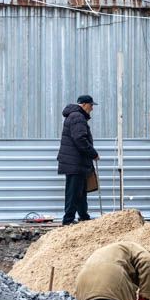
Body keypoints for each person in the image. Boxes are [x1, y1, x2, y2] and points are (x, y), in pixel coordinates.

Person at [74, 240, 150, 300]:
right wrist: (145, 296)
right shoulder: (136, 248)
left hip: (83, 290)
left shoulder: (109, 252)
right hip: (110, 285)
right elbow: (149, 262)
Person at [57, 95, 99, 226]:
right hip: (75, 162)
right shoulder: (77, 117)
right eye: (91, 105)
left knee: (80, 191)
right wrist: (93, 153)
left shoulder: (75, 116)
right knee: (74, 191)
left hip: (76, 162)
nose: (92, 109)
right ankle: (68, 220)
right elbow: (80, 139)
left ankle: (84, 217)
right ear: (85, 104)